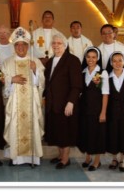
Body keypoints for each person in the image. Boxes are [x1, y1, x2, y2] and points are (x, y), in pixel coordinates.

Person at [1, 26, 45, 166]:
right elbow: (3, 84)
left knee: (32, 126)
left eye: (24, 44)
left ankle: (33, 157)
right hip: (15, 103)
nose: (21, 47)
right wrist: (11, 80)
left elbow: (41, 84)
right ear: (14, 46)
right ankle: (16, 158)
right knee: (15, 126)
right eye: (18, 45)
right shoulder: (7, 62)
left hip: (31, 102)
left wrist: (35, 71)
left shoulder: (35, 62)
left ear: (28, 46)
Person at [44, 33, 83, 169]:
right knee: (57, 131)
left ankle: (65, 159)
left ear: (65, 45)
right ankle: (60, 155)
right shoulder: (49, 62)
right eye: (54, 43)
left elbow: (76, 84)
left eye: (59, 43)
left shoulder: (72, 60)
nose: (56, 45)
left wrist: (71, 102)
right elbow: (47, 83)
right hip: (52, 104)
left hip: (66, 104)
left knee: (65, 132)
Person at [78, 46, 109, 171]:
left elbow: (105, 94)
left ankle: (97, 161)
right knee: (87, 133)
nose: (91, 59)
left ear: (98, 59)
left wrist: (103, 113)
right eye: (88, 57)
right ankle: (87, 158)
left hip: (97, 110)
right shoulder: (83, 72)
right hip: (84, 109)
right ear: (85, 58)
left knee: (97, 135)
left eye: (94, 57)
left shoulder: (102, 73)